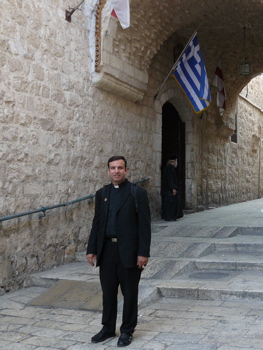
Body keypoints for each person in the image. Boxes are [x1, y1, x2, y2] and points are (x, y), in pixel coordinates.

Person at [86, 155, 151, 347]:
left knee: (130, 293)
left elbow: (144, 226)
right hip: (107, 250)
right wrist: (91, 249)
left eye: (120, 168)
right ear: (108, 171)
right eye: (113, 168)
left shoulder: (136, 193)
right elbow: (96, 223)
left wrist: (143, 252)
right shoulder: (102, 194)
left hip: (129, 252)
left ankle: (127, 331)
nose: (116, 171)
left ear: (126, 171)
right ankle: (107, 328)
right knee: (108, 293)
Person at [161, 154, 184, 221]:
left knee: (170, 204)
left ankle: (171, 216)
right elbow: (170, 179)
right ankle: (169, 216)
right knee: (170, 204)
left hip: (168, 190)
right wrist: (173, 188)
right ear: (174, 161)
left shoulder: (170, 168)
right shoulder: (169, 169)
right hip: (168, 191)